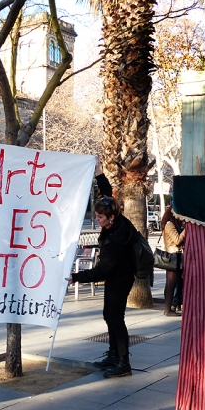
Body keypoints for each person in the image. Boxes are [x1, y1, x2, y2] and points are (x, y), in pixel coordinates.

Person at [67, 159, 138, 378]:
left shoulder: (117, 237)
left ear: (111, 218)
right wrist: (99, 173)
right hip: (117, 273)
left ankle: (123, 363)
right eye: (97, 216)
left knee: (116, 318)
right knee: (109, 315)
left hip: (121, 276)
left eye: (99, 217)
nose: (97, 220)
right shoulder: (114, 215)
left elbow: (102, 271)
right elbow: (107, 195)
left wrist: (75, 277)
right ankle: (113, 355)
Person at [161, 206, 185, 316]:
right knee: (171, 284)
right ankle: (168, 309)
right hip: (172, 255)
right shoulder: (169, 225)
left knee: (172, 284)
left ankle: (169, 308)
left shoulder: (172, 224)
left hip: (175, 255)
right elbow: (177, 240)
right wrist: (186, 230)